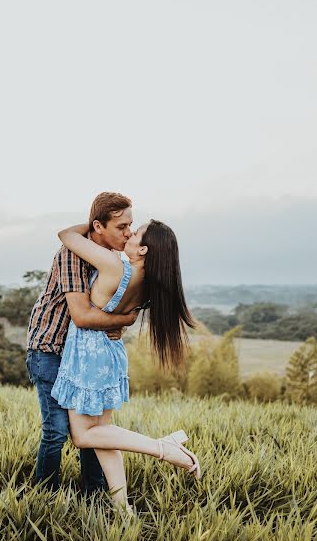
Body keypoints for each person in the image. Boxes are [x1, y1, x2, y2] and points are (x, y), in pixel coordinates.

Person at [50, 218, 200, 513]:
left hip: (89, 353)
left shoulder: (114, 265)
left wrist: (100, 220)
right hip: (111, 353)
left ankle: (163, 448)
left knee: (83, 436)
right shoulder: (147, 286)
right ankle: (123, 508)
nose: (129, 233)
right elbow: (124, 317)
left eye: (135, 232)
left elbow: (65, 234)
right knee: (103, 433)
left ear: (143, 249)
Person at [26, 192, 139, 495]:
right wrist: (123, 322)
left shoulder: (114, 260)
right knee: (57, 431)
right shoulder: (71, 254)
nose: (129, 233)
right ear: (98, 226)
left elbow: (111, 309)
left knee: (92, 429)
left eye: (131, 226)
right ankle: (44, 496)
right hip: (50, 349)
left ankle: (94, 496)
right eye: (121, 227)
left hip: (84, 357)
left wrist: (119, 324)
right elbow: (83, 317)